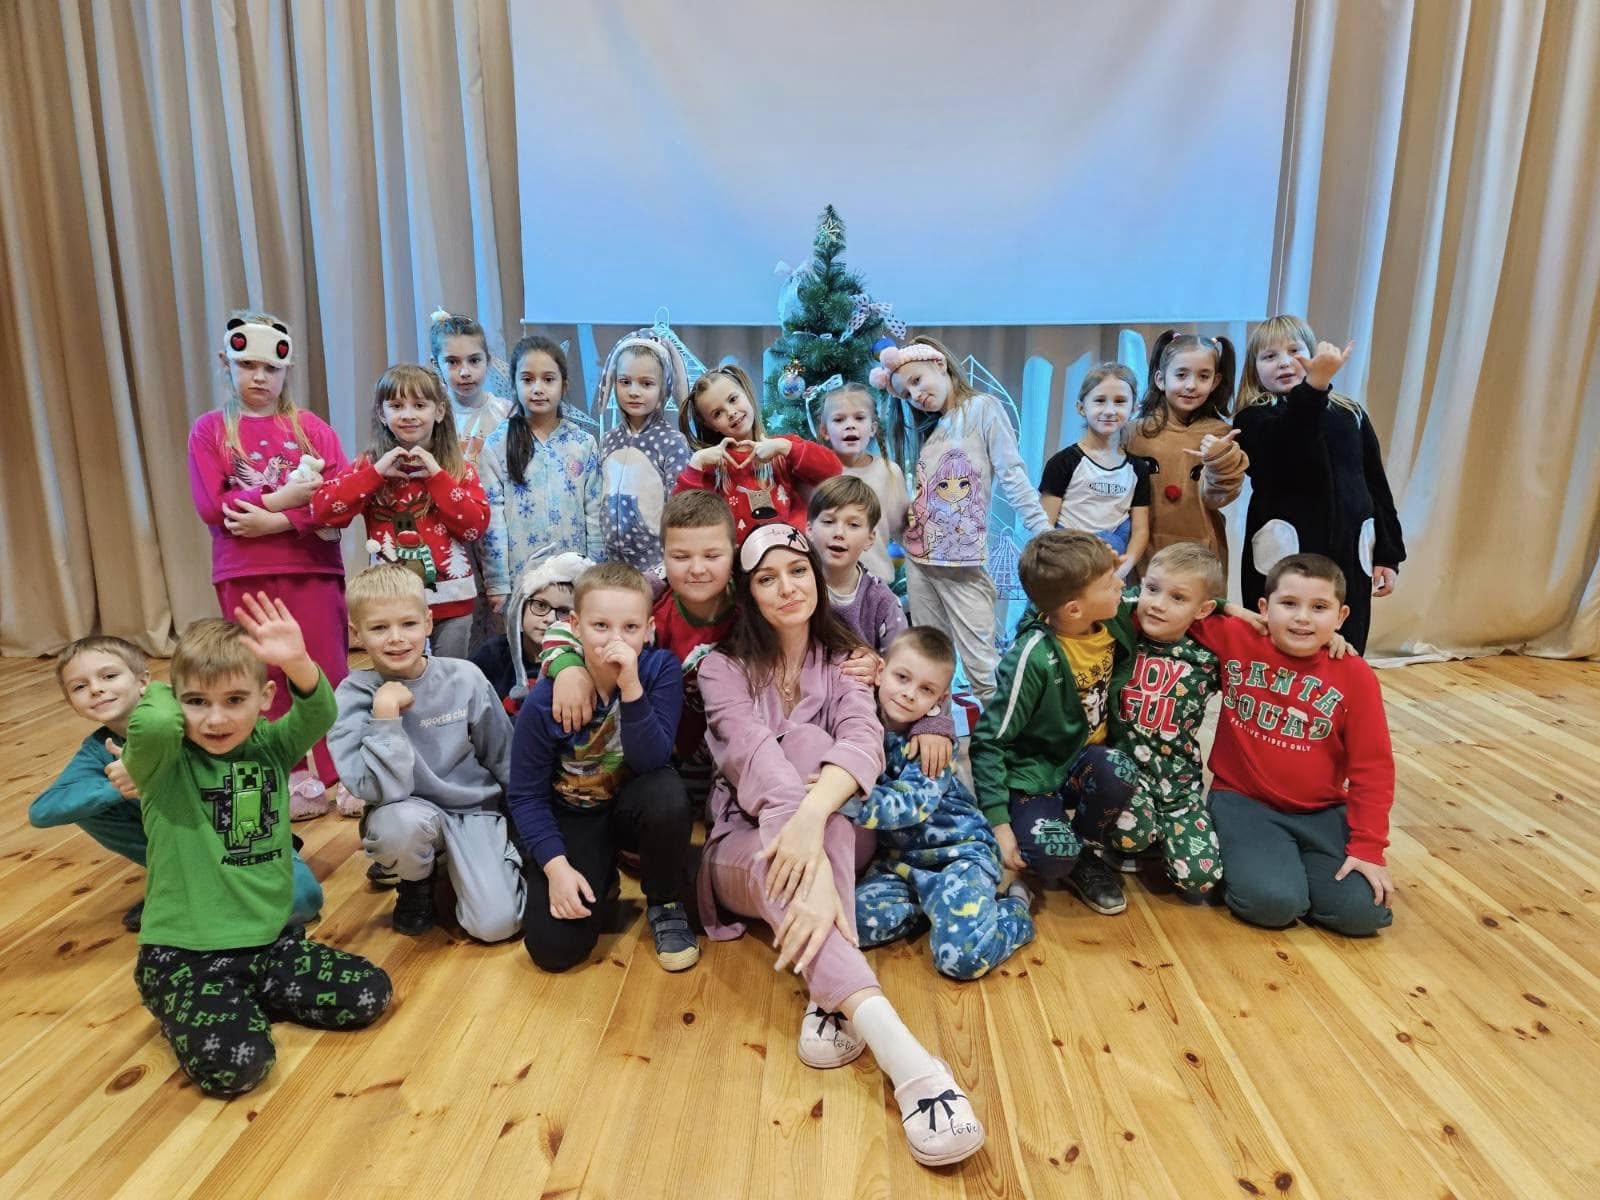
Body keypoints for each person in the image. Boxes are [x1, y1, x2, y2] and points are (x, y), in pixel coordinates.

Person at [697, 523, 986, 1168]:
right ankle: (909, 1061)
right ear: (748, 592)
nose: (787, 588)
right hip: (744, 847)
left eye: (797, 571)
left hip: (834, 836)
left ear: (816, 578)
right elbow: (750, 753)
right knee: (795, 776)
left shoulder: (849, 659)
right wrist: (808, 848)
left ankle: (844, 1005)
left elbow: (861, 741)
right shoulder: (720, 669)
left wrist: (810, 820)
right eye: (767, 578)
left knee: (819, 767)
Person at [122, 596, 392, 1097]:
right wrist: (160, 688)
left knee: (370, 994)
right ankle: (200, 1002)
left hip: (271, 945)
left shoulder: (270, 746)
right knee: (237, 1068)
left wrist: (296, 661)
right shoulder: (164, 763)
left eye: (234, 700)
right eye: (196, 702)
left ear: (265, 697)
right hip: (184, 957)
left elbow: (320, 711)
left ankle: (243, 999)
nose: (215, 719)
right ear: (175, 704)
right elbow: (154, 724)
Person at [32, 636, 324, 932]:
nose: (96, 689)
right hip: (185, 849)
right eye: (79, 687)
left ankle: (200, 898)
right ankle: (184, 885)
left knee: (301, 899)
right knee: (86, 804)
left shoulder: (195, 716)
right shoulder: (98, 748)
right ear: (71, 703)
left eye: (109, 676)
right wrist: (120, 788)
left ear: (143, 681)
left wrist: (145, 770)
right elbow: (43, 811)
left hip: (244, 837)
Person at [187, 310, 350, 817]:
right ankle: (289, 771)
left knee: (327, 669)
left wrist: (276, 520)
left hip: (312, 569)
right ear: (227, 363)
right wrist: (284, 497)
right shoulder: (210, 430)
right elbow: (213, 506)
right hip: (245, 573)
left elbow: (341, 500)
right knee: (265, 672)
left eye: (270, 368)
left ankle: (344, 770)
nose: (259, 377)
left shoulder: (312, 429)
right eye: (247, 366)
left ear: (286, 370)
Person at [509, 562, 699, 973]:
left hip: (634, 803)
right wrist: (557, 868)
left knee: (668, 792)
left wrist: (631, 687)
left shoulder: (659, 670)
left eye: (630, 628)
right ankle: (599, 875)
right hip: (575, 813)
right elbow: (525, 796)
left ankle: (665, 902)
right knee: (553, 951)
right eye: (600, 626)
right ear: (575, 627)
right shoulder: (545, 700)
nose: (616, 640)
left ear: (648, 629)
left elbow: (652, 760)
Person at [1202, 553, 1396, 935]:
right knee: (1273, 904)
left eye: (1319, 608)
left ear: (1341, 617)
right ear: (1264, 607)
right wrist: (1229, 608)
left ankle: (1290, 869)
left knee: (1362, 913)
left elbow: (1373, 768)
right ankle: (1262, 869)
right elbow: (1172, 605)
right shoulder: (1236, 637)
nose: (1302, 618)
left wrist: (1368, 848)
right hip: (1244, 802)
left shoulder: (1354, 674)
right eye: (1289, 603)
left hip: (1321, 812)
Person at [329, 564, 525, 940]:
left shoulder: (465, 677)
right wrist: (385, 717)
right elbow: (375, 789)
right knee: (399, 827)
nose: (396, 639)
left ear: (428, 622)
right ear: (356, 634)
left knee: (497, 926)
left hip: (473, 810)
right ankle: (415, 882)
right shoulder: (352, 696)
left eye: (408, 624)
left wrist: (524, 823)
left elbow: (503, 755)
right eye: (379, 628)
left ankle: (462, 861)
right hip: (405, 813)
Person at [871, 337, 1051, 701]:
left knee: (982, 669)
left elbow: (1012, 474)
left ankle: (1003, 736)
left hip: (961, 564)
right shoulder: (932, 431)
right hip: (920, 562)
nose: (916, 395)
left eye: (917, 381)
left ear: (940, 365)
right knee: (928, 664)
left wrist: (1044, 531)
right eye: (906, 394)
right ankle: (933, 733)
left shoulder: (982, 408)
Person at [971, 530, 1138, 915]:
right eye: (1109, 581)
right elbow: (988, 742)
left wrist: (1230, 607)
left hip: (1084, 763)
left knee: (1119, 768)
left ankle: (1087, 850)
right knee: (1052, 858)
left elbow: (1173, 592)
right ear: (1075, 609)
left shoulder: (1111, 615)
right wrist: (999, 823)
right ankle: (1061, 845)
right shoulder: (1031, 657)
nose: (1121, 583)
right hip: (1035, 774)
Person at [854, 627, 1034, 979]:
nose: (909, 694)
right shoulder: (859, 720)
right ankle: (938, 909)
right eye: (902, 677)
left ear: (941, 697)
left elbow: (912, 803)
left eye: (926, 689)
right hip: (900, 863)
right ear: (880, 671)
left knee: (962, 959)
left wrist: (842, 800)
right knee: (853, 924)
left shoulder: (934, 741)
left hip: (959, 855)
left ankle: (1015, 907)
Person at [541, 491, 739, 807]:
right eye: (681, 557)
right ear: (663, 556)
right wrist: (568, 668)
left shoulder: (752, 604)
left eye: (712, 556)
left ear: (734, 553)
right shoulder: (649, 600)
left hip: (733, 751)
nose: (697, 568)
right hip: (659, 753)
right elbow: (569, 626)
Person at [1234, 319, 1406, 653]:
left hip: (1350, 549)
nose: (1284, 362)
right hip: (1286, 550)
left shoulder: (1350, 413)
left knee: (1347, 638)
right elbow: (1290, 448)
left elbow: (1376, 484)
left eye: (1294, 351)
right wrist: (1313, 388)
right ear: (1254, 369)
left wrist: (1389, 553)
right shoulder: (1253, 418)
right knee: (1277, 640)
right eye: (1269, 356)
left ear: (1311, 354)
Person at [312, 363, 490, 659]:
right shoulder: (369, 465)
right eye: (396, 406)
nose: (408, 414)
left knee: (448, 678)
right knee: (399, 678)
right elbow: (323, 512)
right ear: (382, 414)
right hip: (391, 605)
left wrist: (437, 477)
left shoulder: (458, 468)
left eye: (419, 405)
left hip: (451, 602)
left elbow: (474, 527)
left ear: (439, 411)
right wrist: (374, 474)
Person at [479, 335, 603, 612]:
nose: (537, 389)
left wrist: (594, 572)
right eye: (527, 380)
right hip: (521, 580)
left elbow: (594, 514)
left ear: (564, 385)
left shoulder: (583, 443)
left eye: (548, 379)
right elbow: (493, 519)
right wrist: (497, 583)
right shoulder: (497, 444)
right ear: (514, 384)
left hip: (573, 579)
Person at [1124, 331, 1249, 578]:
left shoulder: (1221, 435)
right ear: (1161, 379)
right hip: (1143, 552)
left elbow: (1219, 498)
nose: (1191, 385)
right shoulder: (1133, 433)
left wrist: (1219, 459)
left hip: (1201, 554)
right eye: (1181, 375)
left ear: (1215, 381)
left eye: (1203, 376)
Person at [676, 363, 842, 541]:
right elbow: (681, 519)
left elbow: (833, 470)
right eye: (717, 413)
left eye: (733, 399)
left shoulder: (784, 446)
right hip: (740, 556)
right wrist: (696, 463)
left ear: (746, 393)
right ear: (710, 425)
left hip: (792, 550)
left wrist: (785, 448)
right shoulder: (712, 465)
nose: (731, 413)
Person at [594, 329, 694, 575]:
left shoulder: (672, 443)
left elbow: (679, 509)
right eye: (625, 382)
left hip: (656, 567)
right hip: (610, 565)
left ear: (663, 389)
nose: (634, 391)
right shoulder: (608, 441)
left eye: (646, 383)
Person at [1040, 363, 1152, 575]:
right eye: (1100, 401)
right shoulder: (1063, 462)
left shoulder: (1137, 468)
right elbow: (1044, 525)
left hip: (1112, 564)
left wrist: (1124, 567)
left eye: (1120, 401)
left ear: (1134, 408)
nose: (1109, 411)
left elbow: (1140, 530)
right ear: (1081, 407)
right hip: (1066, 562)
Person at [472, 550, 592, 710]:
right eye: (541, 605)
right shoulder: (493, 653)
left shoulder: (583, 662)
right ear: (521, 606)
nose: (550, 619)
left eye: (564, 611)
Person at [815, 381, 908, 585]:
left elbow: (903, 529)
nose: (850, 425)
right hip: (824, 585)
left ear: (873, 428)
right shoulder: (815, 472)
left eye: (859, 418)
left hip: (875, 582)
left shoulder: (889, 472)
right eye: (839, 419)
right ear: (825, 431)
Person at [809, 474, 906, 655]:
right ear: (809, 529)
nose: (839, 533)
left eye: (853, 525)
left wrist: (878, 665)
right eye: (828, 522)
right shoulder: (796, 588)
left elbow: (900, 661)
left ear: (870, 538)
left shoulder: (882, 601)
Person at [429, 309, 512, 466]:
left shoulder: (507, 413)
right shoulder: (429, 416)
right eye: (452, 362)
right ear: (436, 364)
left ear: (488, 360)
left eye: (474, 360)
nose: (465, 372)